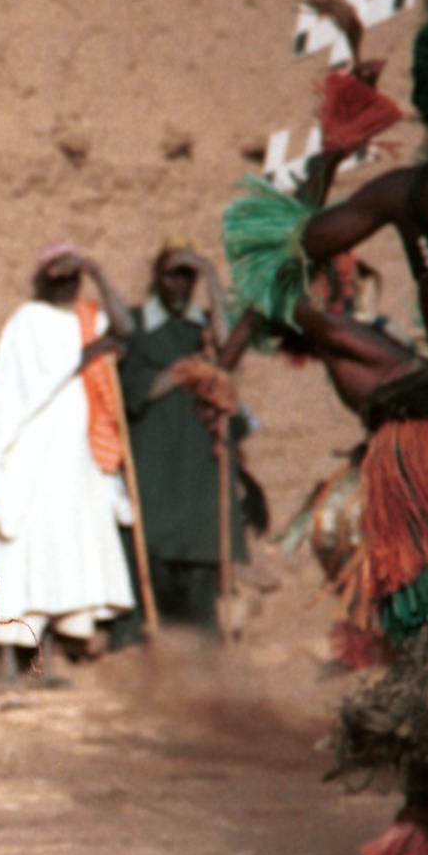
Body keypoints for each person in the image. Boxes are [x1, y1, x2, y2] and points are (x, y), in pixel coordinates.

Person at [221, 0, 428, 855]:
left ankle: (419, 820)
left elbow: (277, 250)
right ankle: (418, 820)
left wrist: (334, 149)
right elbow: (285, 279)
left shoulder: (414, 194)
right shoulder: (407, 211)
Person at [0, 243, 141, 688]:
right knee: (23, 553)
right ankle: (6, 665)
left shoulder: (88, 318)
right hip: (33, 455)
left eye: (75, 277)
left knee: (63, 553)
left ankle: (43, 661)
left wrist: (100, 272)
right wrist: (86, 356)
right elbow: (29, 385)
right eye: (62, 277)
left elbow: (127, 331)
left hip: (74, 458)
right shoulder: (25, 322)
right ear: (46, 279)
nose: (69, 285)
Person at [118, 242, 250, 631]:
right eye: (172, 274)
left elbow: (229, 347)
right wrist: (174, 375)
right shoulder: (137, 323)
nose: (179, 284)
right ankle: (154, 653)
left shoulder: (204, 327)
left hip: (200, 459)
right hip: (156, 454)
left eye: (186, 277)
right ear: (157, 278)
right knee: (153, 545)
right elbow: (129, 389)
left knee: (203, 548)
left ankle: (203, 662)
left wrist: (210, 271)